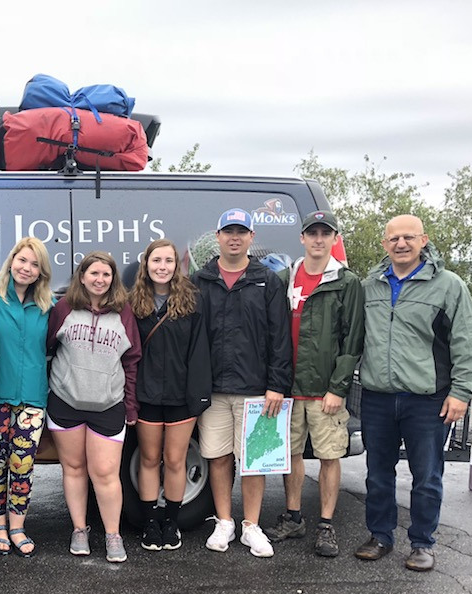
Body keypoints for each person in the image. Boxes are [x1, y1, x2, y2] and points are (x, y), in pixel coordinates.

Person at [355, 214, 472, 571]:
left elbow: (468, 340)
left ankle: (423, 543)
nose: (401, 244)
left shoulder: (447, 285)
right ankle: (380, 536)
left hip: (427, 399)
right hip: (378, 396)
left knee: (426, 474)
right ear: (384, 244)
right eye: (393, 238)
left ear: (423, 240)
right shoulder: (371, 286)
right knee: (377, 472)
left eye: (408, 237)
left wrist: (462, 392)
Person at [263, 211, 364, 557]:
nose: (319, 239)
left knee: (329, 456)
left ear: (334, 239)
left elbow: (353, 340)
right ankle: (293, 517)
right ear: (302, 239)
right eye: (312, 233)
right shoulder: (283, 279)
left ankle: (325, 525)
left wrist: (338, 388)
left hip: (325, 392)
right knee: (289, 455)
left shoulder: (346, 282)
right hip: (287, 389)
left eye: (326, 233)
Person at [193, 209, 292, 558]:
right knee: (218, 458)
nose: (234, 237)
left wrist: (277, 385)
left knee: (254, 460)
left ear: (252, 237)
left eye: (242, 231)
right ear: (217, 236)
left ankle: (251, 526)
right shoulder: (200, 280)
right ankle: (224, 522)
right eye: (228, 231)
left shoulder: (268, 280)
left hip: (257, 390)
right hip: (214, 390)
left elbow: (280, 338)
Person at [47, 251, 141, 563]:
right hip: (66, 403)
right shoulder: (63, 308)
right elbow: (48, 348)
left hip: (108, 404)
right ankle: (79, 529)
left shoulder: (123, 311)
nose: (99, 280)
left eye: (106, 274)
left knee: (105, 473)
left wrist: (130, 407)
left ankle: (113, 535)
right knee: (74, 469)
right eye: (93, 273)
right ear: (82, 276)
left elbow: (131, 361)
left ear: (113, 279)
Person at [128, 239, 211, 552]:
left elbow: (199, 351)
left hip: (181, 396)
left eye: (168, 261)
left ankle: (171, 523)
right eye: (156, 261)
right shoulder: (134, 302)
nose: (162, 267)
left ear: (177, 266)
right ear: (146, 265)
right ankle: (151, 523)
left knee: (175, 460)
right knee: (149, 460)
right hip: (147, 394)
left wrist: (198, 397)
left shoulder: (191, 301)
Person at [0, 237, 54, 558]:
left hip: (33, 398)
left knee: (23, 465)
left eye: (35, 264)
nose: (27, 268)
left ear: (41, 272)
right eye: (23, 261)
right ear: (11, 261)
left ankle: (18, 527)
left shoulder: (47, 306)